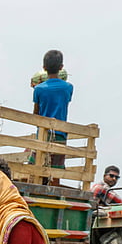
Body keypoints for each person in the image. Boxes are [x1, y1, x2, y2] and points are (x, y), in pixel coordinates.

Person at [32, 50, 73, 185]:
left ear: (44, 68)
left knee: (35, 166)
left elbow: (36, 114)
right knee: (56, 169)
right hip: (60, 135)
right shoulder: (68, 87)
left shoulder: (39, 89)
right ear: (61, 67)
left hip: (42, 135)